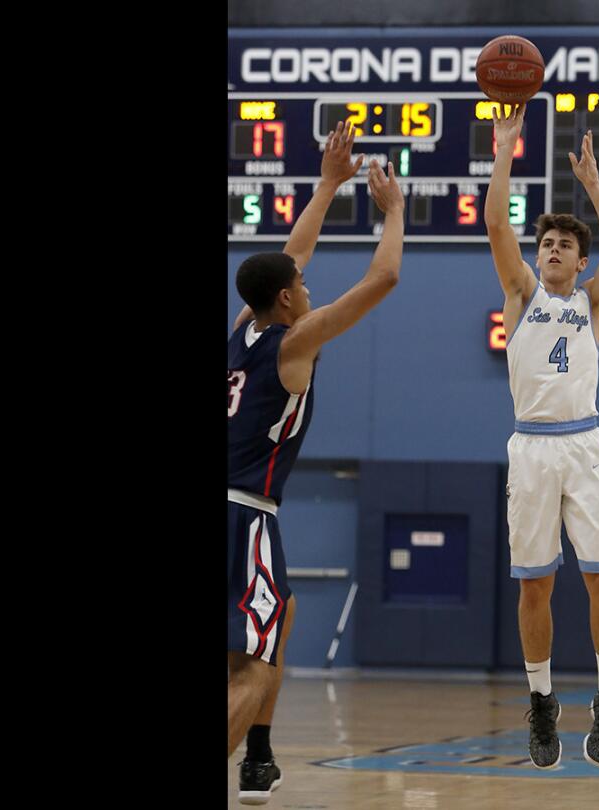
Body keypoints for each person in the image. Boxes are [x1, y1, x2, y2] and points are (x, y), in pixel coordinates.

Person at [228, 121, 405, 803]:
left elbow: (288, 253)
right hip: (248, 515)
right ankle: (247, 758)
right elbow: (383, 276)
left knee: (286, 613)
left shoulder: (244, 328)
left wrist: (329, 183)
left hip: (234, 510)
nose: (306, 280)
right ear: (285, 299)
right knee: (247, 670)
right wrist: (391, 214)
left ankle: (260, 758)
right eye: (300, 282)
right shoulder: (293, 342)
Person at [484, 103, 599, 769]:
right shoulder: (521, 293)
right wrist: (505, 151)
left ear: (580, 263)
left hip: (585, 446)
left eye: (564, 246)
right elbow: (494, 224)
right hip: (531, 448)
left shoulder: (591, 303)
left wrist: (595, 186)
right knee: (534, 586)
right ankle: (542, 703)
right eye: (546, 243)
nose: (552, 251)